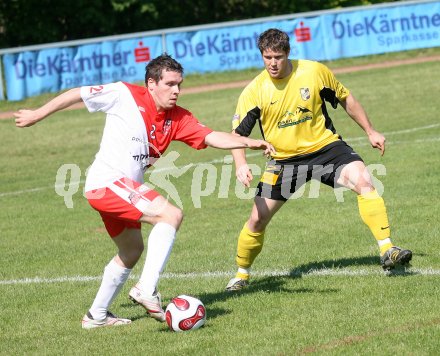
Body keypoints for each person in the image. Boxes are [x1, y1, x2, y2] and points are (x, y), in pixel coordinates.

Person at [14, 53, 274, 328]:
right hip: (106, 183)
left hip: (121, 189)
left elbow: (210, 136)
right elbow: (79, 93)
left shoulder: (178, 117)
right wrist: (37, 114)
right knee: (170, 215)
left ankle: (96, 316)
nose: (176, 91)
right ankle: (146, 289)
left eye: (179, 85)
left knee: (131, 250)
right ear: (152, 83)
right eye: (170, 84)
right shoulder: (124, 94)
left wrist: (247, 142)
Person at [225, 28, 412, 291]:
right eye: (267, 57)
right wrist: (241, 164)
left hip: (326, 148)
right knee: (257, 219)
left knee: (364, 181)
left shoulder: (314, 72)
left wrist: (370, 131)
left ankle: (387, 249)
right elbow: (237, 135)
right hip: (285, 162)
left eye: (278, 56)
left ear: (288, 53)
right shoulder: (254, 91)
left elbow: (346, 98)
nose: (273, 63)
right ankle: (241, 275)